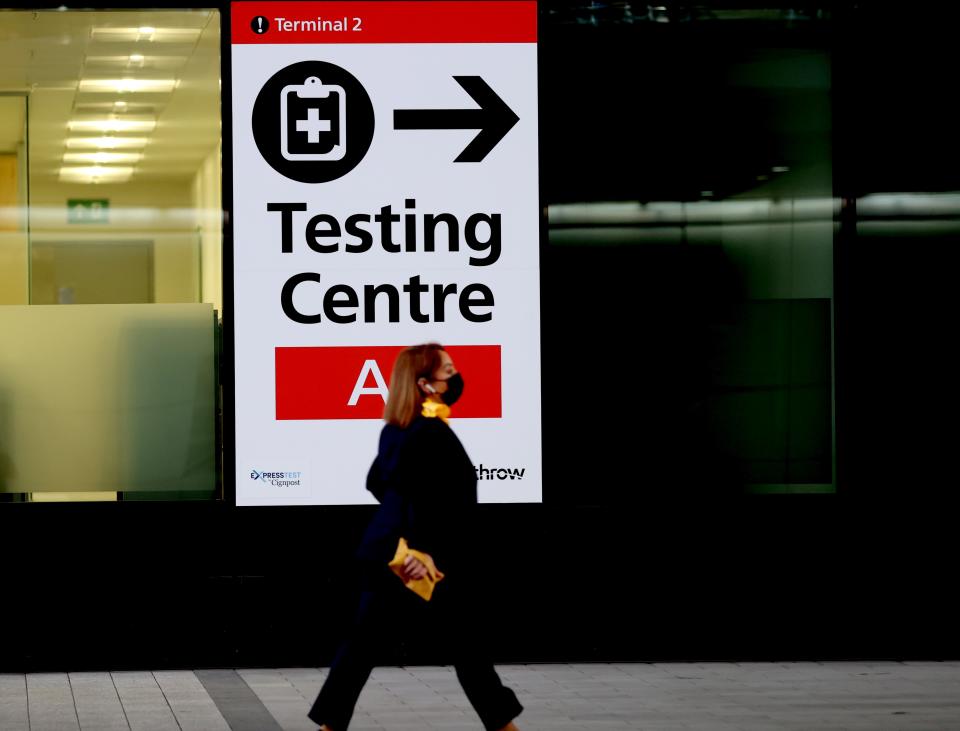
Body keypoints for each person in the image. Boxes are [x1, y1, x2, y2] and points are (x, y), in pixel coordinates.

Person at [308, 343, 524, 731]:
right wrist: (418, 546)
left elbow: (378, 482)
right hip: (416, 560)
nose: (455, 377)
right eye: (448, 371)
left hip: (393, 554)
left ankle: (329, 726)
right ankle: (504, 726)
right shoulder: (428, 432)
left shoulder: (397, 429)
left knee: (365, 647)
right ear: (426, 384)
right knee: (465, 647)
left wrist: (402, 532)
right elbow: (430, 497)